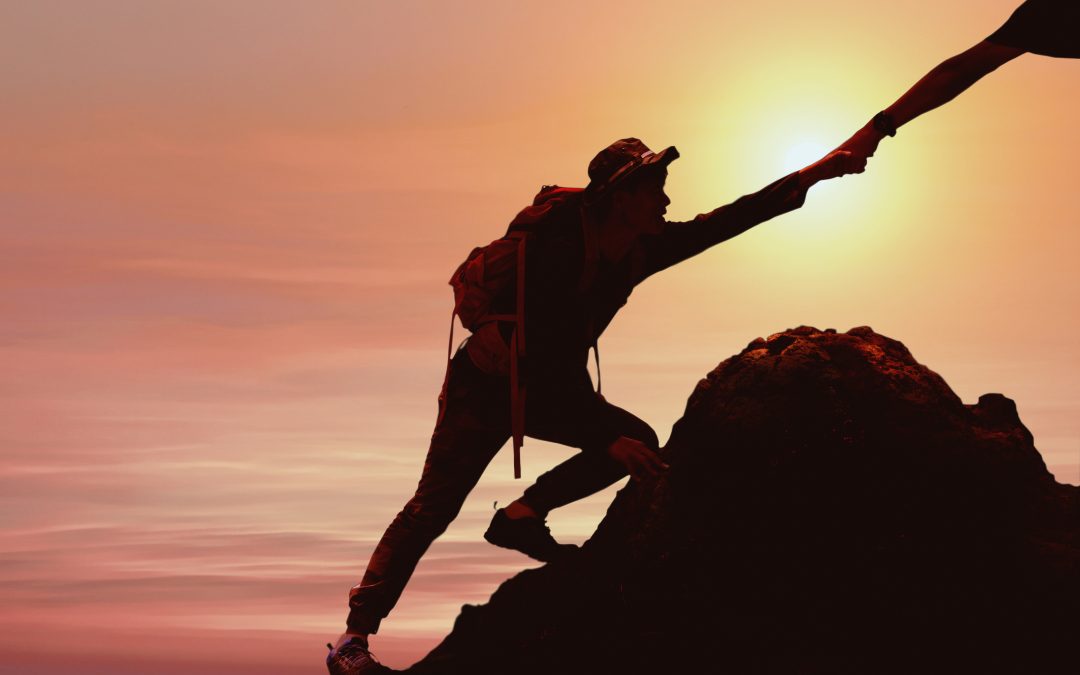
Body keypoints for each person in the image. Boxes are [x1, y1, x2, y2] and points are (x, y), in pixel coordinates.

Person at [326, 138, 866, 674]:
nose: (666, 200)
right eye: (655, 187)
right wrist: (603, 436)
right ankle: (352, 643)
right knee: (432, 509)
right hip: (488, 386)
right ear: (620, 196)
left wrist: (812, 175)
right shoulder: (554, 252)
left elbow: (723, 222)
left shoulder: (639, 247)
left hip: (555, 384)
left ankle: (521, 516)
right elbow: (535, 366)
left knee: (637, 443)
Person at [839, 0, 1079, 160]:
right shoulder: (1048, 15)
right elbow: (959, 72)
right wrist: (873, 131)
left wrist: (873, 132)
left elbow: (960, 71)